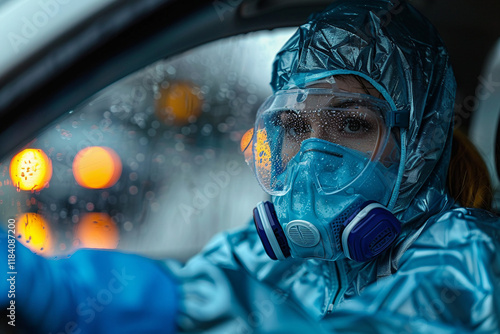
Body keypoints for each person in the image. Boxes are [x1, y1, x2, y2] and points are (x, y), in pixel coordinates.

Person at [2, 0, 500, 333]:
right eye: (294, 126)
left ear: (420, 146)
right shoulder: (268, 258)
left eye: (350, 125)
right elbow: (140, 299)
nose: (311, 155)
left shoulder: (468, 254)